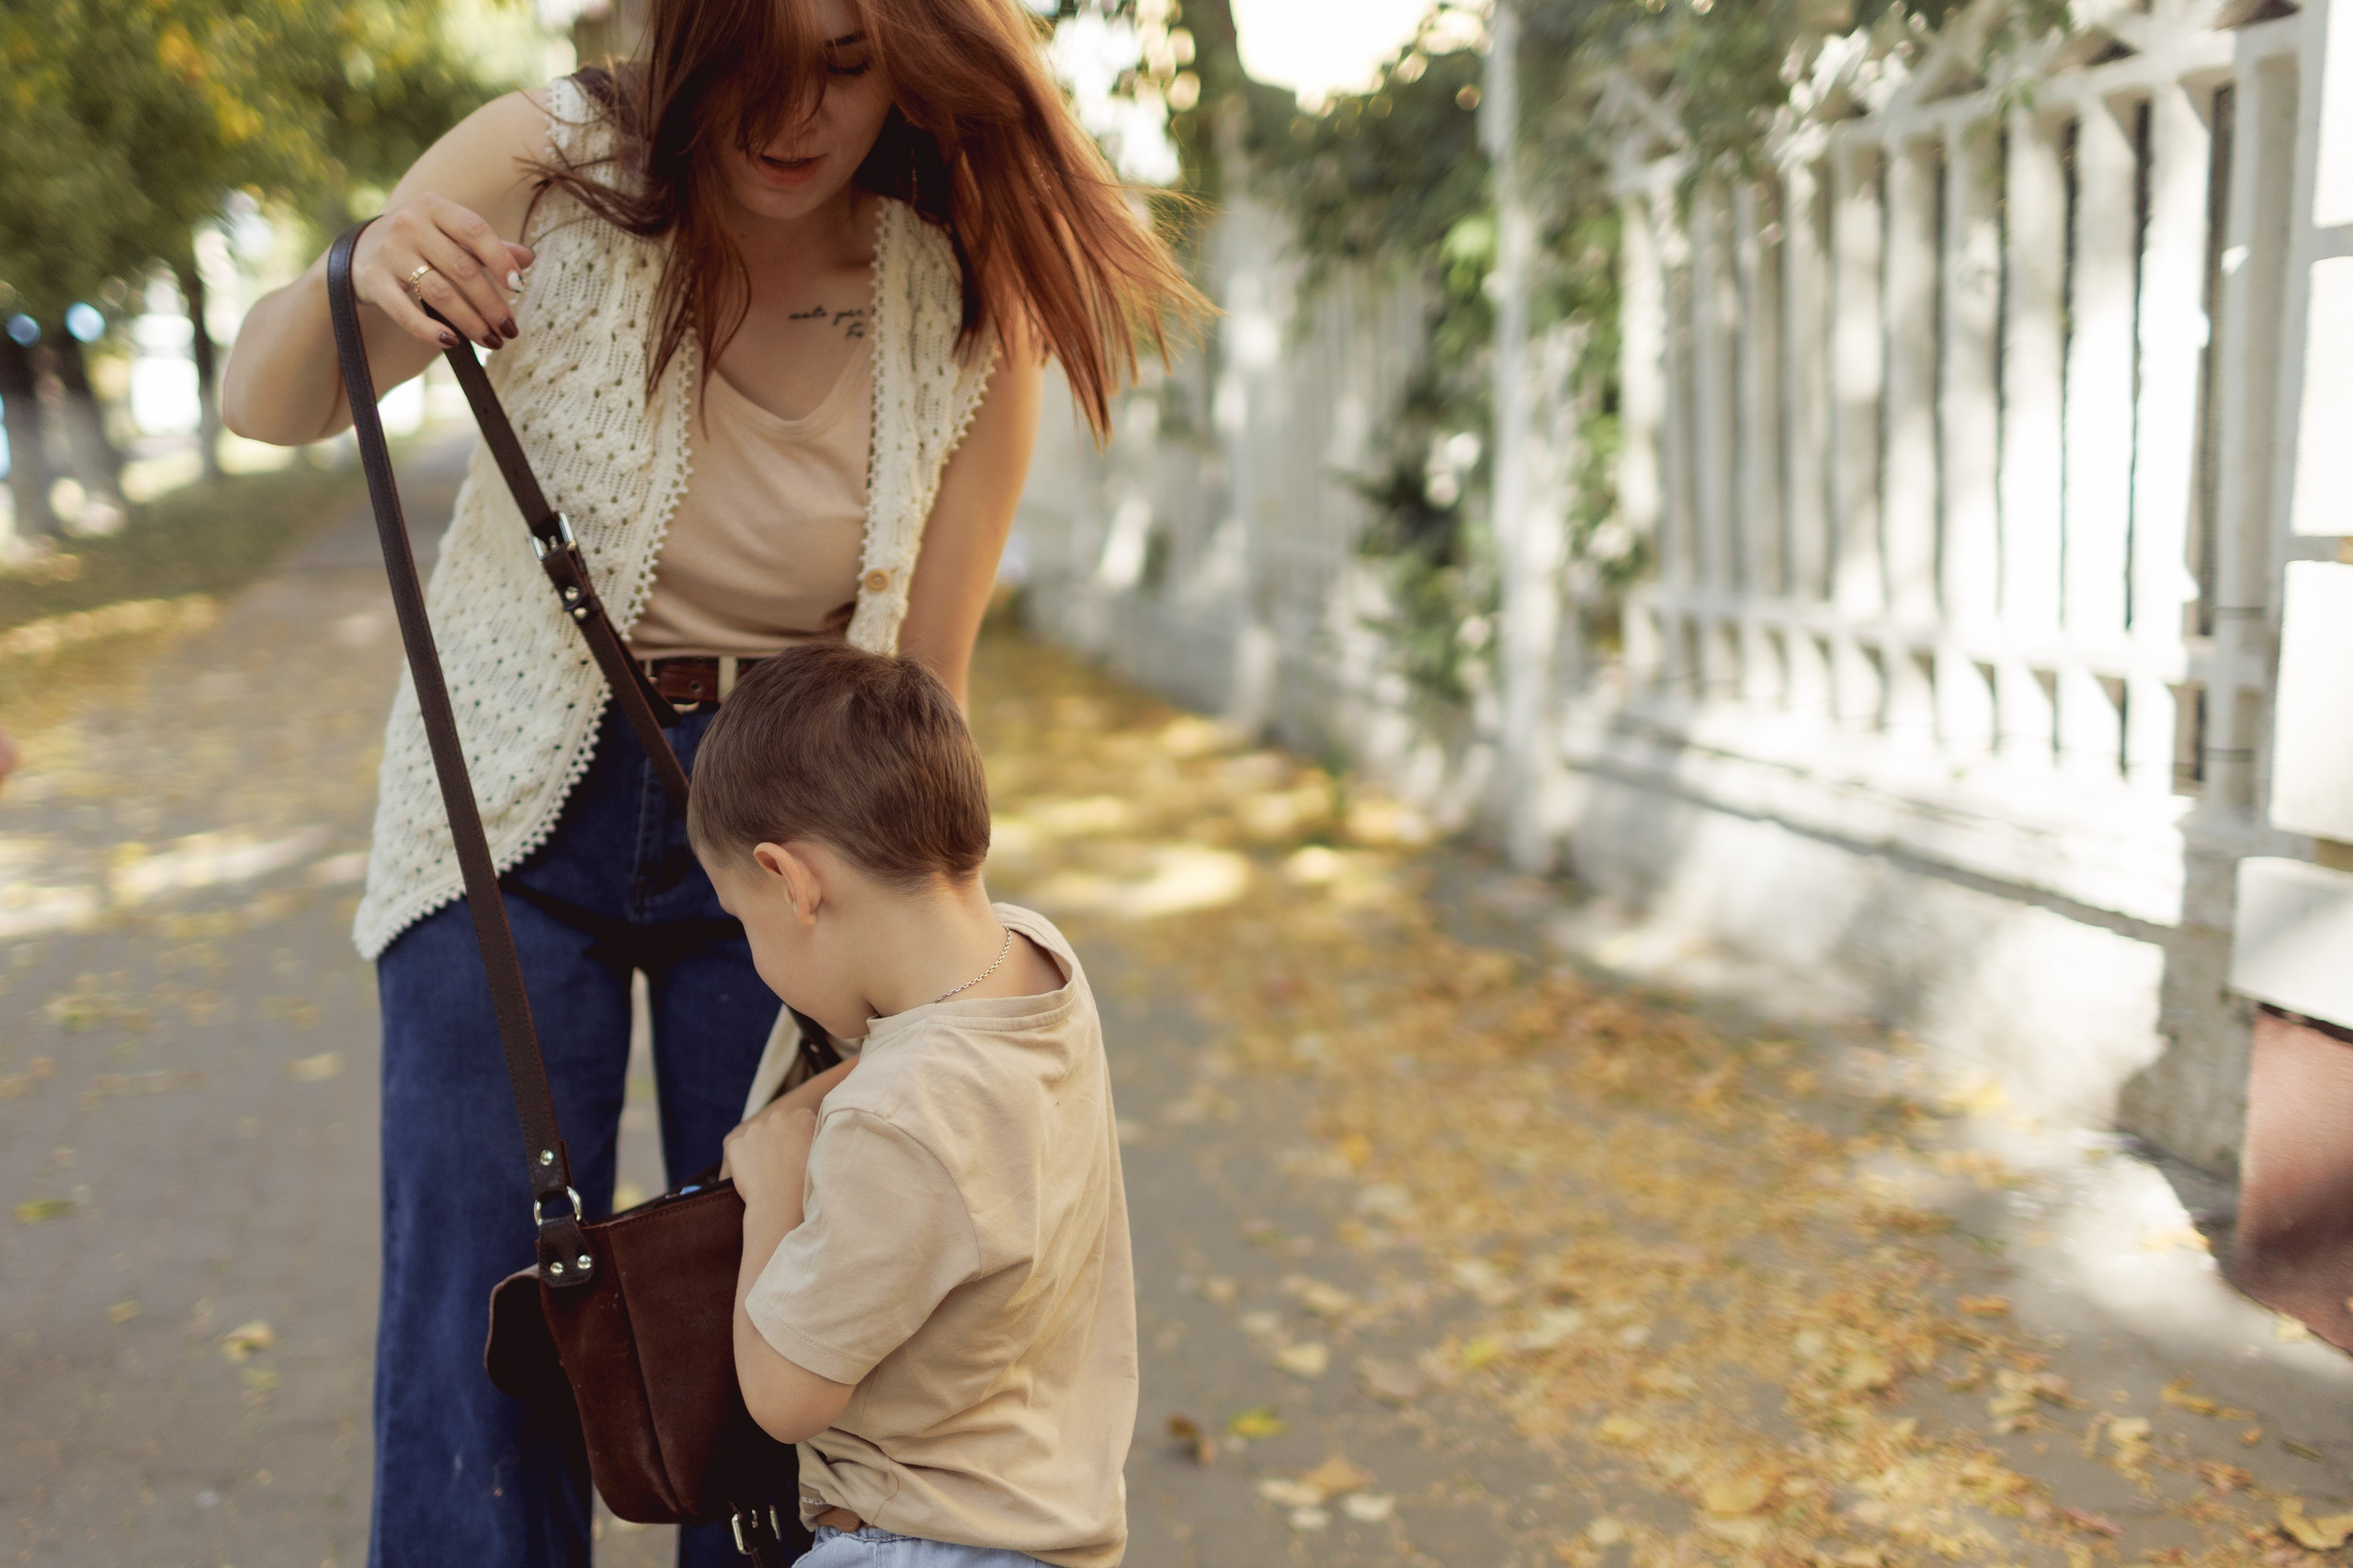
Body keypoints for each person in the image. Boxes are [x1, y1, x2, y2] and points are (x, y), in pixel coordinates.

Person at [216, 0, 1200, 1562]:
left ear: (911, 60)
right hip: (509, 802)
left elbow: (927, 683)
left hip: (801, 843)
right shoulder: (550, 161)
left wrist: (949, 980)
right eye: (759, 58)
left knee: (777, 1309)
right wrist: (361, 265)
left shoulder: (960, 281)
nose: (797, 115)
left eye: (849, 63)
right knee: (480, 1314)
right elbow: (266, 404)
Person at [698, 643, 1131, 1568]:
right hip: (1044, 1525)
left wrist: (773, 1194)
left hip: (914, 1541)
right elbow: (926, 1067)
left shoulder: (890, 1121)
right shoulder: (1038, 960)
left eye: (743, 919)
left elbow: (783, 1395)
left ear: (791, 882)